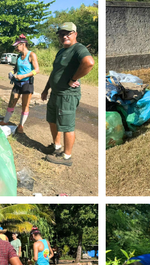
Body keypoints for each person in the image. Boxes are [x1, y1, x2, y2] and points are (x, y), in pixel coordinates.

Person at [41, 22, 95, 166]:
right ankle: (57, 147)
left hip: (67, 95)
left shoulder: (78, 49)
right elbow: (55, 72)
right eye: (61, 34)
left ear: (75, 34)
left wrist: (73, 79)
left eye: (68, 33)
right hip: (55, 93)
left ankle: (66, 157)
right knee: (52, 120)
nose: (64, 36)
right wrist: (46, 89)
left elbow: (89, 62)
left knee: (67, 126)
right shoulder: (60, 52)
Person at [0, 34, 39, 134]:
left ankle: (21, 125)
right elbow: (16, 68)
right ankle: (5, 121)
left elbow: (37, 70)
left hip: (27, 83)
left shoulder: (31, 55)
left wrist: (24, 76)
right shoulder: (18, 56)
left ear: (23, 44)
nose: (16, 48)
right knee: (12, 102)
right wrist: (12, 73)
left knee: (25, 105)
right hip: (17, 83)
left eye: (17, 46)